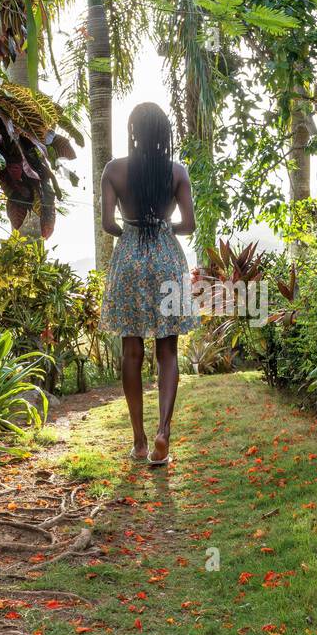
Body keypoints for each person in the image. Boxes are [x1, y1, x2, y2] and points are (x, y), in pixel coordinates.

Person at [99, 102, 196, 465]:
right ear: (164, 134)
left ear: (133, 132)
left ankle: (139, 441)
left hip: (129, 261)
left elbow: (108, 224)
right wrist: (164, 226)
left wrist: (130, 226)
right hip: (166, 260)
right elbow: (189, 225)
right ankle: (163, 433)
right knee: (167, 351)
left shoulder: (114, 170)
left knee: (132, 351)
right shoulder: (176, 172)